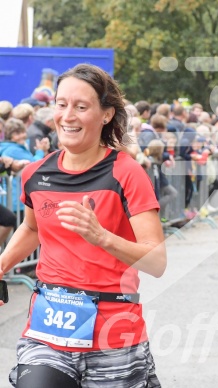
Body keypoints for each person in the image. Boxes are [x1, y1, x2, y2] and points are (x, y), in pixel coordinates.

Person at [0, 64, 167, 387]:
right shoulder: (35, 174)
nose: (68, 116)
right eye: (62, 105)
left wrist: (101, 236)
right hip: (49, 330)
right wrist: (2, 263)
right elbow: (33, 229)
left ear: (106, 115)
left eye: (81, 106)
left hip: (113, 332)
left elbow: (157, 261)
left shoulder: (127, 173)